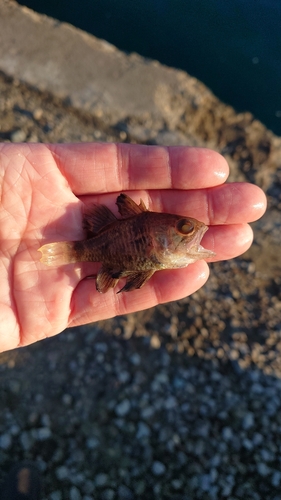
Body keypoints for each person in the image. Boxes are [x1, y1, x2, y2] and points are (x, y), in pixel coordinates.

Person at [0, 142, 266, 353]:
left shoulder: (160, 252)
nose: (193, 231)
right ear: (159, 237)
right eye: (185, 228)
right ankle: (72, 252)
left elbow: (142, 270)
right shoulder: (152, 246)